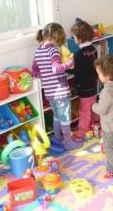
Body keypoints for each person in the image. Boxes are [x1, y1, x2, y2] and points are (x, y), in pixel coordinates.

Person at [32, 22, 79, 151]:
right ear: (56, 37)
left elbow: (35, 70)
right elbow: (56, 69)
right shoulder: (54, 51)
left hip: (49, 92)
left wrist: (44, 76)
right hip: (60, 91)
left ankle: (57, 138)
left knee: (57, 116)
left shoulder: (38, 51)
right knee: (65, 117)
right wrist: (69, 64)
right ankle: (68, 142)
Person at [70, 20, 99, 141]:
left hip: (84, 87)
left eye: (74, 37)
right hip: (93, 84)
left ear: (79, 38)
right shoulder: (94, 49)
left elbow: (76, 71)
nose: (73, 39)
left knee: (84, 110)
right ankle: (96, 123)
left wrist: (66, 70)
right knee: (93, 105)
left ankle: (82, 130)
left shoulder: (78, 54)